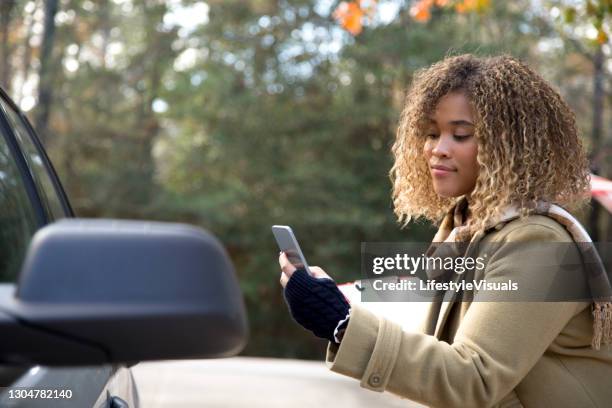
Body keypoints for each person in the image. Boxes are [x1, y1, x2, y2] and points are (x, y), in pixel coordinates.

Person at [278, 54, 612, 408]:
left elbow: (473, 378)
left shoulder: (537, 242)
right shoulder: (464, 229)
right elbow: (424, 332)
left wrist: (341, 324)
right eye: (432, 133)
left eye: (461, 134)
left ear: (510, 147)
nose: (438, 149)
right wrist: (337, 303)